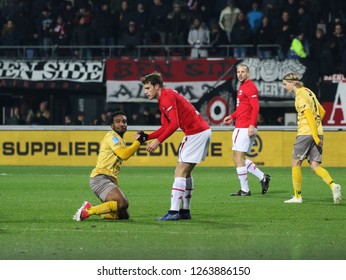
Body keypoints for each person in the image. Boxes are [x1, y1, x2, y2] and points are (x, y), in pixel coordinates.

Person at [139, 71, 211, 221]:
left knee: (180, 171)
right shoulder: (164, 99)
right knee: (186, 172)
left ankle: (173, 212)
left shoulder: (166, 97)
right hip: (201, 131)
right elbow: (165, 127)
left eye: (147, 88)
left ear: (156, 86)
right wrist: (147, 137)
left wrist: (158, 141)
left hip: (195, 133)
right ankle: (185, 210)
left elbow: (175, 125)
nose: (145, 92)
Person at [73, 111, 147, 221]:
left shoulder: (120, 139)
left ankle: (92, 208)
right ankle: (87, 212)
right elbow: (124, 154)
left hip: (109, 179)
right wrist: (139, 141)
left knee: (123, 215)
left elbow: (125, 153)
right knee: (122, 203)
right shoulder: (112, 137)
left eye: (124, 122)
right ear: (112, 126)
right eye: (118, 122)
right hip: (100, 178)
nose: (122, 124)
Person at [282, 73, 342, 204]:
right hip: (319, 130)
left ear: (292, 82)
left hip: (306, 132)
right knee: (315, 165)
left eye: (285, 84)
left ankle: (297, 197)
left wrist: (313, 135)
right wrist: (317, 130)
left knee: (295, 162)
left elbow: (308, 114)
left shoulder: (300, 95)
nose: (284, 87)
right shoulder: (309, 92)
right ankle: (333, 185)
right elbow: (322, 112)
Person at [223, 63, 271, 196]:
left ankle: (245, 189)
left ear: (248, 74)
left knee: (238, 158)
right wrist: (232, 116)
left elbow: (255, 107)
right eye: (238, 72)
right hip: (241, 125)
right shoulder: (242, 87)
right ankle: (262, 177)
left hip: (245, 127)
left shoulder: (250, 87)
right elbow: (242, 108)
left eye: (243, 72)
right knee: (238, 157)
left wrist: (251, 124)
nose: (240, 74)